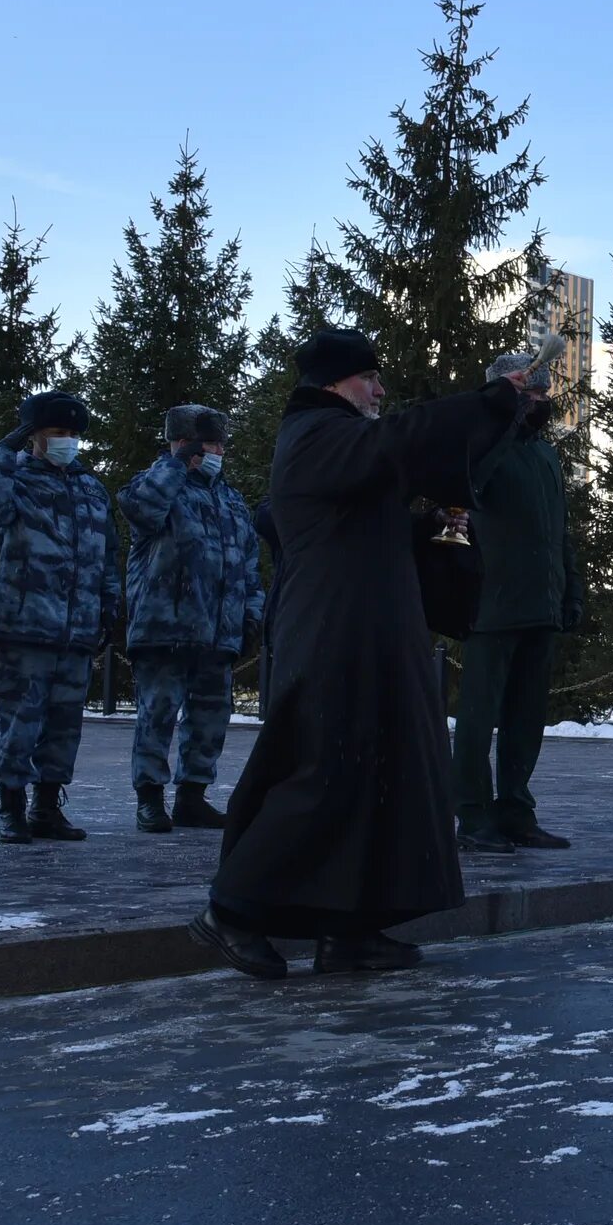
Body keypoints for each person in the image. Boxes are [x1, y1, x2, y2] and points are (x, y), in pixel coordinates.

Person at [189, 328, 528, 979]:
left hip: (368, 635)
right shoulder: (317, 433)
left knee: (381, 778)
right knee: (323, 774)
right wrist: (483, 403)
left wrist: (433, 525)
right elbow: (395, 444)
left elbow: (374, 520)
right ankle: (231, 910)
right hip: (333, 637)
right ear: (333, 382)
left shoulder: (337, 444)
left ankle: (350, 929)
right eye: (369, 377)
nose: (379, 390)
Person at [0, 391, 116, 845]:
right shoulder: (15, 479)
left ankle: (47, 808)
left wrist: (110, 606)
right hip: (25, 624)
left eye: (74, 434)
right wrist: (1, 450)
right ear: (34, 435)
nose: (68, 441)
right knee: (21, 723)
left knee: (64, 725)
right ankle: (10, 809)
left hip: (77, 630)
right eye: (58, 433)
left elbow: (106, 553)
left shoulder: (91, 488)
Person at [457, 351, 586, 851]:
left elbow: (560, 533)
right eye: (528, 393)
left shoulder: (545, 455)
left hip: (541, 603)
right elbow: (466, 489)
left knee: (526, 719)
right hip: (491, 604)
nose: (539, 401)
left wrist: (570, 589)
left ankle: (515, 809)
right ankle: (472, 814)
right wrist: (499, 416)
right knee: (478, 717)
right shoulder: (481, 445)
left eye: (543, 393)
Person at [117, 405, 264, 833]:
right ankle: (149, 798)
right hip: (165, 630)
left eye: (220, 443)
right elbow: (141, 509)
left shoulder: (231, 499)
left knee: (210, 718)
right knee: (157, 716)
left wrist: (251, 616)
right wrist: (175, 463)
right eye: (208, 443)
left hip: (217, 633)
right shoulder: (156, 486)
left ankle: (192, 797)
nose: (217, 451)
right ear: (184, 443)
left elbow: (247, 566)